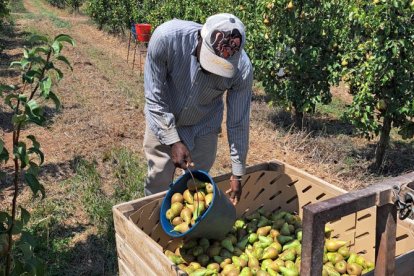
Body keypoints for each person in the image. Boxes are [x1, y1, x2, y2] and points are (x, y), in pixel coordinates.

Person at [143, 13, 253, 205]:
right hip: (164, 117)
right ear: (200, 37)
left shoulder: (242, 70)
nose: (212, 71)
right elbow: (155, 98)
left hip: (204, 124)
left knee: (197, 188)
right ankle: (153, 226)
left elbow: (238, 123)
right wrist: (173, 140)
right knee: (157, 183)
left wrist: (238, 173)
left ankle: (189, 231)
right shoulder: (167, 39)